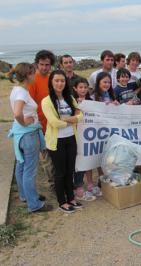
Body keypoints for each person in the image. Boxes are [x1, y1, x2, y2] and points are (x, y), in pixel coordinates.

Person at [8, 63, 52, 213]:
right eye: (34, 73)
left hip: (20, 134)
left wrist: (21, 122)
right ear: (28, 75)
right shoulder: (22, 93)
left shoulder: (17, 89)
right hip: (27, 134)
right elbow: (17, 113)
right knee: (29, 170)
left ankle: (25, 195)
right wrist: (24, 121)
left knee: (21, 166)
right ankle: (34, 204)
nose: (36, 75)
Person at [41, 70, 83, 213]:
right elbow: (54, 123)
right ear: (51, 83)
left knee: (70, 170)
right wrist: (73, 120)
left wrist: (69, 119)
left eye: (62, 81)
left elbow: (81, 115)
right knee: (60, 172)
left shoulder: (70, 98)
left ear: (66, 83)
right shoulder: (46, 101)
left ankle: (71, 198)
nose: (60, 83)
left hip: (71, 138)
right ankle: (62, 201)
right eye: (56, 80)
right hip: (56, 141)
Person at [28, 50, 56, 191]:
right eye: (42, 64)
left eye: (47, 65)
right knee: (46, 158)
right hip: (40, 125)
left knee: (55, 155)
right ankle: (53, 185)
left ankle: (58, 182)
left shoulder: (52, 78)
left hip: (54, 124)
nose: (44, 67)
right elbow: (29, 105)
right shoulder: (32, 80)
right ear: (37, 63)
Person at [71, 78, 96, 201]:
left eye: (85, 87)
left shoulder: (91, 101)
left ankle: (88, 183)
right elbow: (73, 117)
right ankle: (78, 186)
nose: (83, 89)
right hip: (76, 136)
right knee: (78, 161)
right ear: (75, 88)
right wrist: (79, 106)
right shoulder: (72, 101)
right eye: (80, 87)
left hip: (89, 136)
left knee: (87, 159)